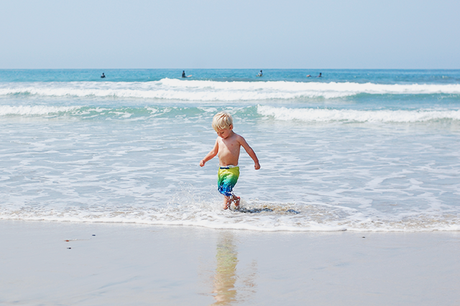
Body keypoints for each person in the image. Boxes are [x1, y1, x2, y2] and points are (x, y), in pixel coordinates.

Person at [200, 111, 260, 210]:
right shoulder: (219, 139)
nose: (219, 134)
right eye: (217, 132)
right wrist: (204, 160)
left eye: (222, 132)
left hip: (232, 170)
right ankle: (235, 199)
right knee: (222, 190)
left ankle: (226, 209)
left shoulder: (238, 138)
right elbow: (213, 152)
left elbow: (249, 149)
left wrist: (256, 162)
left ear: (230, 127)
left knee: (227, 189)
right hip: (221, 170)